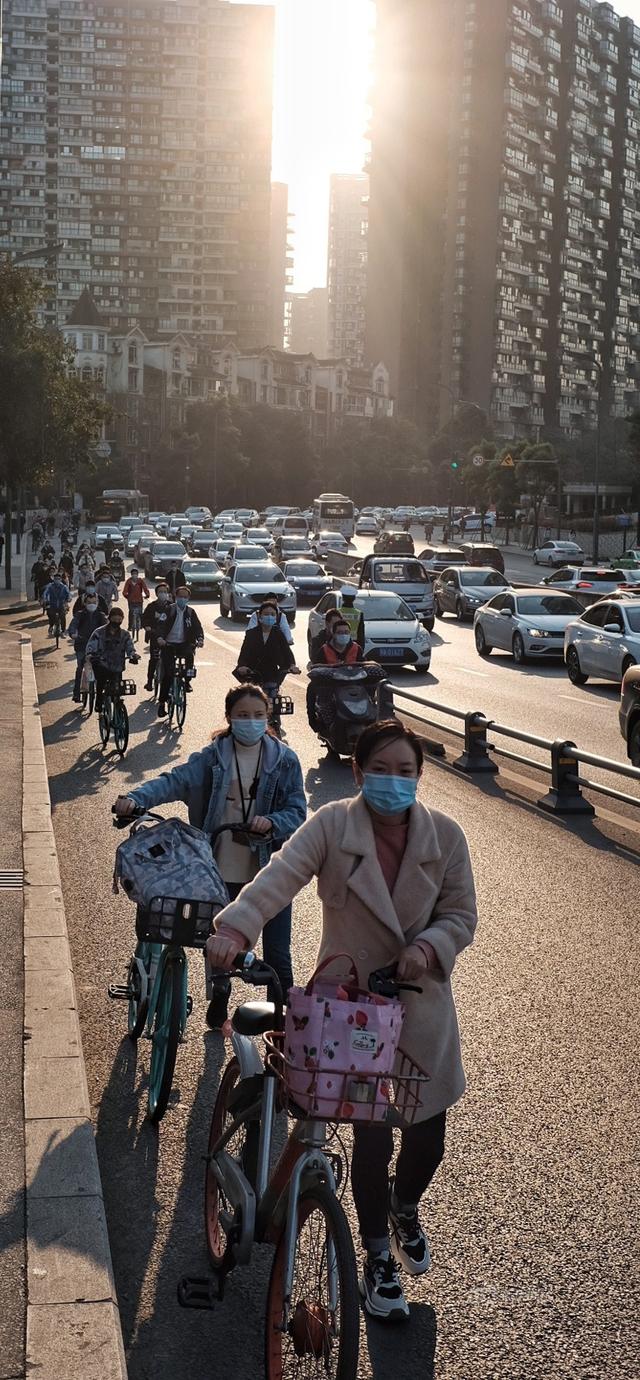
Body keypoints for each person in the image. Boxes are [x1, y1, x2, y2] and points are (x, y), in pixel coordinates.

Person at [207, 719, 477, 1323]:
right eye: (381, 770)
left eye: (406, 771)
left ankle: (404, 1208)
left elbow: (461, 914)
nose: (394, 782)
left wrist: (428, 948)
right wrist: (236, 926)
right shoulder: (333, 825)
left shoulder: (446, 837)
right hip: (347, 1013)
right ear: (358, 772)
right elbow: (281, 874)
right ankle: (377, 1252)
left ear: (419, 776)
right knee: (372, 1135)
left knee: (426, 1138)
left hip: (421, 1007)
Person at [113, 682, 307, 1028]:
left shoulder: (285, 760)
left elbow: (297, 811)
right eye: (243, 715)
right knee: (221, 945)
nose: (251, 722)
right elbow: (173, 780)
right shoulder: (211, 757)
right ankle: (220, 995)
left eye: (258, 715)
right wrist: (136, 797)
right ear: (230, 717)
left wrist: (272, 822)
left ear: (268, 716)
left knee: (278, 954)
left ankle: (285, 1028)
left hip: (271, 873)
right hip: (218, 870)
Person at [156, 584, 204, 718]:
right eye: (180, 596)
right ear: (175, 597)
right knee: (169, 674)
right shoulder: (169, 610)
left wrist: (200, 639)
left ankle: (187, 681)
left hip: (184, 644)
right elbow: (160, 625)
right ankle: (162, 703)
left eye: (185, 597)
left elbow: (197, 628)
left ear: (188, 598)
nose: (182, 599)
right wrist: (160, 638)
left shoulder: (190, 612)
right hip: (168, 645)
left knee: (190, 657)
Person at [235, 599, 300, 694]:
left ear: (276, 617)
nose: (269, 617)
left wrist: (292, 666)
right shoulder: (251, 634)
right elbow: (244, 653)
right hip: (254, 675)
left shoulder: (278, 633)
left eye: (272, 614)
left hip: (272, 675)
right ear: (259, 616)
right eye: (266, 614)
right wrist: (242, 667)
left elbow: (287, 652)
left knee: (273, 695)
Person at [85, 606, 139, 711]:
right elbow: (91, 646)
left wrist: (133, 655)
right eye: (115, 619)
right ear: (110, 619)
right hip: (101, 664)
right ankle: (99, 701)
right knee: (101, 682)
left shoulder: (125, 634)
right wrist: (91, 655)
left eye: (119, 620)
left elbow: (130, 647)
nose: (117, 622)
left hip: (117, 666)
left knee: (117, 690)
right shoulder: (99, 632)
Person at [67, 592, 107, 701]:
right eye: (89, 602)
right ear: (85, 603)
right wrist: (73, 634)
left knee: (102, 668)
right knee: (80, 668)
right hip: (82, 645)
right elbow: (73, 626)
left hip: (97, 646)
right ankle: (76, 694)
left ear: (97, 603)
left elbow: (107, 627)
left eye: (94, 602)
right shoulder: (80, 614)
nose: (91, 604)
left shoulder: (101, 615)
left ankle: (102, 693)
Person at [141, 581, 172, 691]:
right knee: (154, 659)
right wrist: (147, 627)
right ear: (157, 593)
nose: (163, 593)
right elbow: (144, 619)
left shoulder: (171, 606)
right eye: (160, 592)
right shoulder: (151, 606)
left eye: (165, 592)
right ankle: (149, 682)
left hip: (169, 637)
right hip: (154, 636)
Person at [122, 567, 150, 635]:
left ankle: (141, 625)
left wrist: (147, 594)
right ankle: (130, 626)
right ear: (131, 574)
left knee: (140, 613)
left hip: (139, 600)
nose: (134, 575)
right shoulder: (128, 581)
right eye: (133, 574)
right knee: (131, 613)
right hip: (131, 601)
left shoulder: (140, 581)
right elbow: (125, 591)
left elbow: (145, 588)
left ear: (137, 574)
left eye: (136, 573)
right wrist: (126, 596)